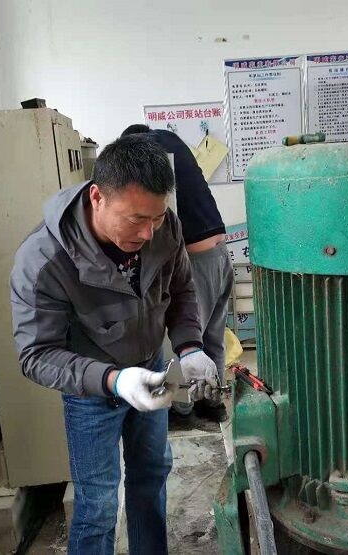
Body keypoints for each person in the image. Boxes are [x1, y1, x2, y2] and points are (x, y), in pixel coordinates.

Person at [10, 134, 220, 555]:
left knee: (152, 474)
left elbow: (181, 290)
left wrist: (189, 347)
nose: (147, 232)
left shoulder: (164, 227)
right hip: (92, 390)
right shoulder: (44, 259)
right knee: (99, 501)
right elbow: (36, 355)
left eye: (156, 218)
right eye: (135, 219)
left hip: (152, 369)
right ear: (97, 197)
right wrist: (114, 380)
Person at [121, 124, 234, 423]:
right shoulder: (171, 139)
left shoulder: (148, 150)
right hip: (220, 253)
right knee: (212, 338)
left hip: (197, 260)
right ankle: (213, 404)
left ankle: (182, 410)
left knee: (185, 343)